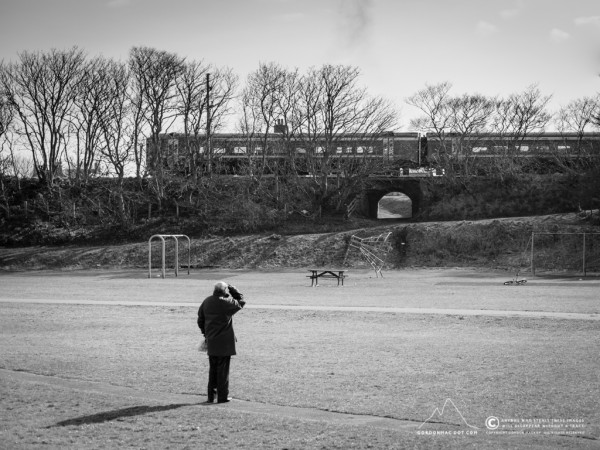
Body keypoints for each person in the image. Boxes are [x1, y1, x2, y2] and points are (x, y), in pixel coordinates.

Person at [197, 281, 245, 403]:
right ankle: (222, 396)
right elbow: (241, 301)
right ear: (224, 291)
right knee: (223, 371)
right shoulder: (226, 302)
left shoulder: (207, 301)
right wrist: (233, 289)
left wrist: (205, 334)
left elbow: (200, 320)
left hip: (211, 340)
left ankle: (211, 396)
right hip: (224, 342)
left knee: (213, 370)